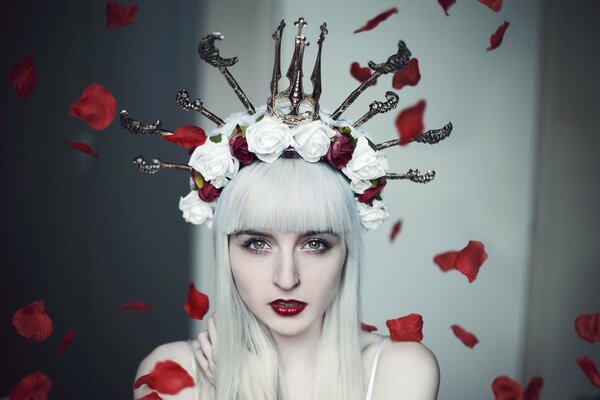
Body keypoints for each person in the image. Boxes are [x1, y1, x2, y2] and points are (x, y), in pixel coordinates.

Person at [128, 17, 449, 400]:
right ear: (225, 247)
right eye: (256, 244)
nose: (286, 278)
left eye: (315, 244)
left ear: (347, 249)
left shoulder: (401, 371)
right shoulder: (173, 374)